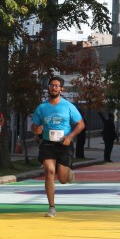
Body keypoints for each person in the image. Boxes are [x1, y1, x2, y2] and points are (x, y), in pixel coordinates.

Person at [31, 76, 84, 217]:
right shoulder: (42, 108)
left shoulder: (68, 106)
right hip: (47, 144)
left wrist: (70, 137)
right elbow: (34, 126)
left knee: (62, 179)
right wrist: (36, 130)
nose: (53, 88)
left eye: (56, 86)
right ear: (48, 88)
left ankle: (67, 173)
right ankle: (52, 207)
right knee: (49, 171)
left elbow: (81, 124)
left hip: (64, 144)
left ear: (61, 89)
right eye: (51, 85)